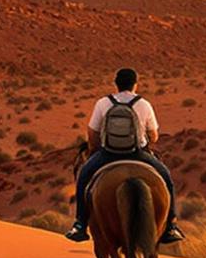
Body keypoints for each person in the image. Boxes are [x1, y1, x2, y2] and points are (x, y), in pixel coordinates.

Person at [68, 67, 181, 244]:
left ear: (116, 84)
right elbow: (154, 135)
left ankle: (80, 224)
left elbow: (92, 133)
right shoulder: (144, 104)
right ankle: (171, 226)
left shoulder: (103, 103)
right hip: (138, 154)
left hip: (108, 153)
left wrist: (96, 148)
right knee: (167, 179)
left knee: (83, 177)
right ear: (136, 84)